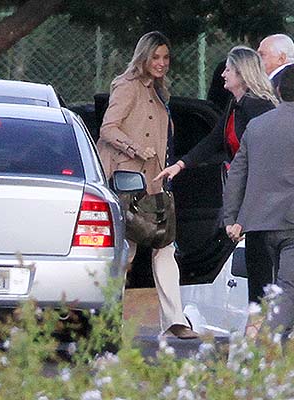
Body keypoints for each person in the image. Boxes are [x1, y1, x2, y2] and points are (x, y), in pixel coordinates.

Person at [154, 46, 278, 305]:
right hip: (243, 192)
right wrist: (180, 165)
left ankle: (267, 327)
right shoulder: (237, 104)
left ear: (242, 74)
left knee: (263, 266)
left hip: (262, 198)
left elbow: (263, 164)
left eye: (229, 70)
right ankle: (259, 326)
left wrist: (242, 216)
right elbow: (213, 141)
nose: (223, 74)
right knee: (255, 265)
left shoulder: (260, 109)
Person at [222, 65, 294, 337]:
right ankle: (263, 349)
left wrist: (232, 218)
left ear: (278, 91)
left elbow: (238, 172)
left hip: (262, 223)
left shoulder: (257, 125)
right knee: (291, 290)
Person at [96, 31, 197, 339]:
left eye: (166, 58)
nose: (162, 63)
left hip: (154, 183)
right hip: (129, 181)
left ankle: (174, 319)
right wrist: (137, 149)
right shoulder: (127, 87)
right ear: (143, 57)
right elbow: (108, 128)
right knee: (125, 250)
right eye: (156, 57)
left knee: (164, 247)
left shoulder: (158, 90)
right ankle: (105, 317)